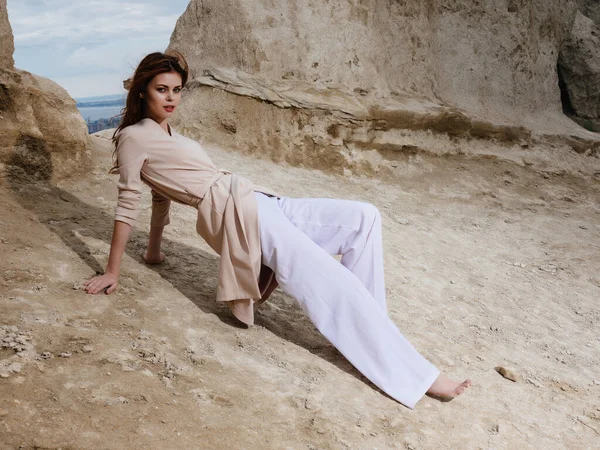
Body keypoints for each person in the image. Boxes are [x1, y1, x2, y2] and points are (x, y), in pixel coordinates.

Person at [83, 51, 471, 409]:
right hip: (238, 215)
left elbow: (160, 197)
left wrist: (154, 251)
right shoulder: (133, 138)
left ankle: (372, 334)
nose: (171, 98)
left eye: (177, 90)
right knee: (329, 277)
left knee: (363, 218)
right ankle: (419, 377)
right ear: (142, 91)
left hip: (259, 200)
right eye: (161, 90)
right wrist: (113, 270)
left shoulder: (169, 132)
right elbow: (130, 200)